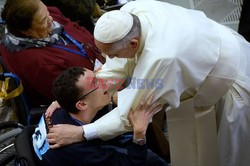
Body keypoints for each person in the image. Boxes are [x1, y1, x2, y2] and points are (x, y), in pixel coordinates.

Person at [46, 1, 250, 166]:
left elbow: (132, 114)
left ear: (133, 44)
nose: (109, 59)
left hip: (226, 83)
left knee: (222, 152)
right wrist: (70, 96)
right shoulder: (129, 13)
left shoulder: (161, 58)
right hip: (205, 50)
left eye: (113, 53)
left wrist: (82, 132)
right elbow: (118, 62)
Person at [33, 67, 166, 166]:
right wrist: (139, 135)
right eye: (96, 83)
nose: (106, 83)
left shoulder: (58, 108)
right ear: (82, 104)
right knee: (150, 159)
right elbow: (134, 163)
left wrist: (112, 98)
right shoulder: (84, 154)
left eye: (96, 76)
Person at [0, 0, 104, 106]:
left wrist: (101, 48)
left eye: (47, 13)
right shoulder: (37, 64)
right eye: (44, 20)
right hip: (89, 95)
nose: (51, 18)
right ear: (26, 31)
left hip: (102, 64)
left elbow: (75, 27)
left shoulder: (44, 14)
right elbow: (75, 95)